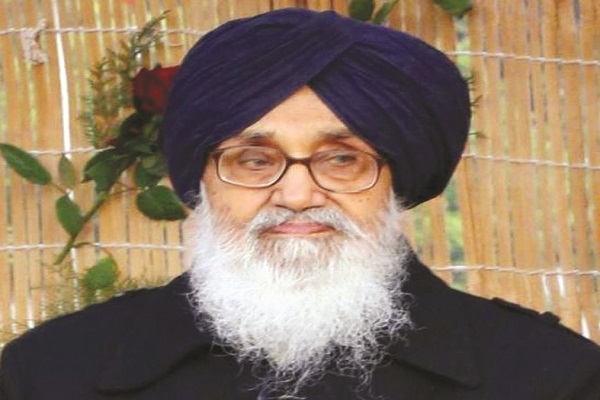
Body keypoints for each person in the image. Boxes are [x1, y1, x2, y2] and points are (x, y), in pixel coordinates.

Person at [1, 8, 599, 400]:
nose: (296, 195)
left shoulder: (551, 379)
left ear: (396, 181)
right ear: (200, 181)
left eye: (342, 159)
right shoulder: (49, 374)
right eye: (252, 160)